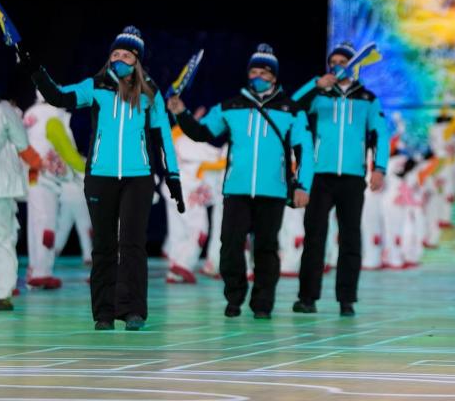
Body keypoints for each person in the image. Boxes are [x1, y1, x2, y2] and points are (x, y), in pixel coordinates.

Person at [28, 26, 184, 330]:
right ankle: (103, 312)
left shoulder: (150, 92)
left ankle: (133, 311)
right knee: (103, 246)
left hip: (139, 178)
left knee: (133, 245)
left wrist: (174, 176)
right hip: (100, 176)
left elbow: (163, 136)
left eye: (126, 54)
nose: (119, 58)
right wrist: (35, 70)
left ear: (137, 59)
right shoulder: (95, 85)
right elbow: (59, 96)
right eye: (115, 53)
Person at [168, 44, 311, 319]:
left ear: (274, 76)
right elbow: (202, 133)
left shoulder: (291, 110)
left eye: (264, 72)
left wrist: (303, 185)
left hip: (273, 190)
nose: (258, 76)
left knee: (266, 249)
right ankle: (233, 298)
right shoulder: (230, 106)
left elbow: (304, 150)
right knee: (230, 246)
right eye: (254, 71)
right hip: (236, 189)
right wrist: (181, 113)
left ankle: (262, 304)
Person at [289, 42, 389, 317]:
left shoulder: (367, 99)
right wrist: (315, 85)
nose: (336, 65)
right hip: (320, 176)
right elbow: (289, 107)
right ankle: (307, 297)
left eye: (342, 61)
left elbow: (380, 134)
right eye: (332, 61)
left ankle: (347, 299)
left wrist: (379, 168)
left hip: (353, 178)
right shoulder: (319, 95)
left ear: (353, 65)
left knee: (350, 239)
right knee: (315, 237)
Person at [0, 66, 41, 311]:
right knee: (1, 241)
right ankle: (2, 295)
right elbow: (24, 147)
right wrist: (38, 166)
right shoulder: (2, 110)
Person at [23, 92, 86, 289]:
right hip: (46, 178)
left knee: (36, 224)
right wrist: (86, 171)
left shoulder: (30, 113)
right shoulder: (52, 116)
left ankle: (35, 269)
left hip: (31, 175)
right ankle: (42, 272)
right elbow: (66, 150)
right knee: (46, 225)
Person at [164, 107, 223, 284]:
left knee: (178, 233)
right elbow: (221, 160)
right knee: (200, 230)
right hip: (187, 191)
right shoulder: (191, 142)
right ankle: (182, 265)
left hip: (170, 189)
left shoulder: (173, 138)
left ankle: (174, 271)